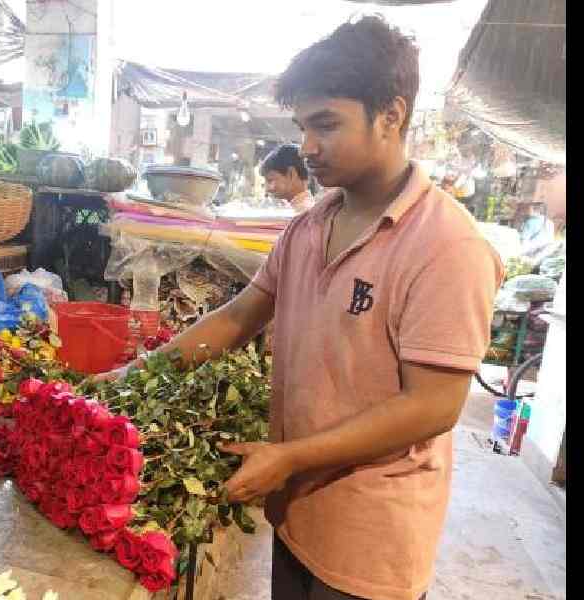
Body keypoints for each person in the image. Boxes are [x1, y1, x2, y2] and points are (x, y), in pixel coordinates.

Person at [98, 16, 502, 600]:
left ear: (391, 115)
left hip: (373, 537)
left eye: (326, 125)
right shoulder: (309, 227)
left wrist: (290, 456)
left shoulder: (446, 245)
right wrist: (134, 376)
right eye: (302, 127)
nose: (307, 147)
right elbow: (237, 318)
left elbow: (434, 405)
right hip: (297, 509)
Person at [260, 143, 315, 212]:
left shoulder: (303, 212)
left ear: (291, 174)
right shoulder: (302, 209)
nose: (267, 189)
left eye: (270, 180)